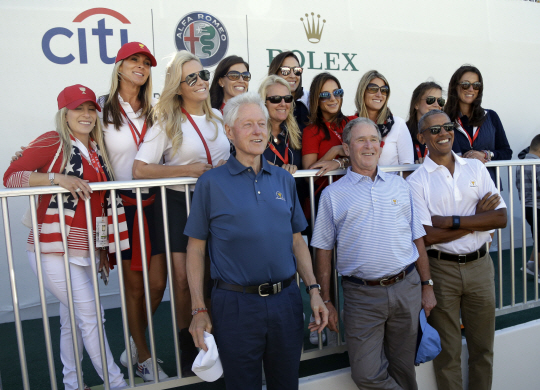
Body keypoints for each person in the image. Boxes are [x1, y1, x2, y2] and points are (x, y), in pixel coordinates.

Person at [185, 92, 328, 390]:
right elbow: (196, 249)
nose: (258, 131)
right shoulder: (210, 183)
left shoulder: (283, 179)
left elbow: (297, 241)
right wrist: (199, 308)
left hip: (286, 302)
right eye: (248, 124)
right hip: (235, 305)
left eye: (262, 124)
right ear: (229, 131)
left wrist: (313, 289)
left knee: (286, 384)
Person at [3, 85, 128, 390]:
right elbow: (11, 177)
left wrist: (102, 251)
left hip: (84, 249)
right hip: (51, 248)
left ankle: (73, 384)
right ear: (65, 114)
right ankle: (118, 384)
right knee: (90, 316)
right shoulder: (53, 141)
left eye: (90, 109)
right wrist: (57, 178)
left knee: (72, 322)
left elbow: (99, 205)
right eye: (77, 109)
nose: (85, 115)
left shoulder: (97, 149)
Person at [312, 117, 435, 389]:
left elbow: (418, 239)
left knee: (404, 370)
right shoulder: (332, 195)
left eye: (374, 140)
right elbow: (323, 251)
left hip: (407, 288)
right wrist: (327, 299)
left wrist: (427, 285)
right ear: (346, 148)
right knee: (366, 374)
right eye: (360, 140)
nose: (369, 146)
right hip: (362, 296)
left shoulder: (400, 186)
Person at [132, 50, 230, 377]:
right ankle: (191, 355)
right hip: (177, 206)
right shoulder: (166, 120)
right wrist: (186, 170)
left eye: (203, 74)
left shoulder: (219, 116)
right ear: (178, 86)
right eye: (192, 78)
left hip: (217, 206)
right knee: (184, 281)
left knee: (220, 275)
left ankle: (223, 345)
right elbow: (139, 169)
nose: (201, 82)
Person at [407, 109, 507, 390]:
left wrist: (452, 222)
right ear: (422, 137)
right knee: (448, 353)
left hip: (480, 267)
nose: (443, 134)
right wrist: (477, 220)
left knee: (483, 349)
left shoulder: (475, 167)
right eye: (434, 130)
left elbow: (500, 218)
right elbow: (427, 237)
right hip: (442, 270)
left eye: (448, 127)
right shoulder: (416, 182)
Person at [99, 41, 168, 381]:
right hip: (120, 205)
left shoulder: (156, 110)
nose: (141, 66)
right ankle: (142, 355)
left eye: (146, 62)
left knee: (157, 284)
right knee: (134, 287)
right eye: (134, 60)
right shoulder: (100, 109)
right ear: (120, 66)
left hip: (155, 203)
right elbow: (76, 141)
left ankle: (134, 337)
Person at [444, 65, 512, 184]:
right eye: (465, 84)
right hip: (457, 186)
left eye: (476, 85)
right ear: (455, 86)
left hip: (488, 186)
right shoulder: (444, 118)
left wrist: (485, 154)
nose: (471, 89)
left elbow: (506, 152)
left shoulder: (491, 116)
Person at [354, 70, 413, 166]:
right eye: (373, 89)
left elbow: (407, 167)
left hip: (391, 181)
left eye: (384, 90)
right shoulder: (351, 125)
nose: (379, 94)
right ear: (362, 91)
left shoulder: (398, 124)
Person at [302, 72, 354, 181]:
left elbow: (367, 157)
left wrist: (340, 162)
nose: (333, 98)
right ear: (316, 100)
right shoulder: (311, 131)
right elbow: (308, 177)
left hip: (356, 192)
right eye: (325, 95)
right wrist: (334, 151)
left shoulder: (354, 122)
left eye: (337, 92)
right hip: (326, 194)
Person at [405, 81, 460, 164]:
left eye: (440, 101)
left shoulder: (447, 129)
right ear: (416, 104)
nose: (436, 105)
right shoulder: (404, 131)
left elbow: (458, 160)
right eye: (430, 100)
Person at [258, 75, 302, 174]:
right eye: (275, 99)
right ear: (263, 102)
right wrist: (259, 164)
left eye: (287, 98)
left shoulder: (300, 133)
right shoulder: (254, 133)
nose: (283, 103)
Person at [516, 134, 540, 279]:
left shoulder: (522, 162)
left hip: (528, 207)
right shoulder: (537, 164)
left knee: (538, 238)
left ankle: (532, 266)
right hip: (537, 207)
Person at [268, 51, 310, 132]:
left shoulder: (309, 100)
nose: (292, 75)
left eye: (297, 70)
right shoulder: (264, 101)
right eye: (286, 70)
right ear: (275, 73)